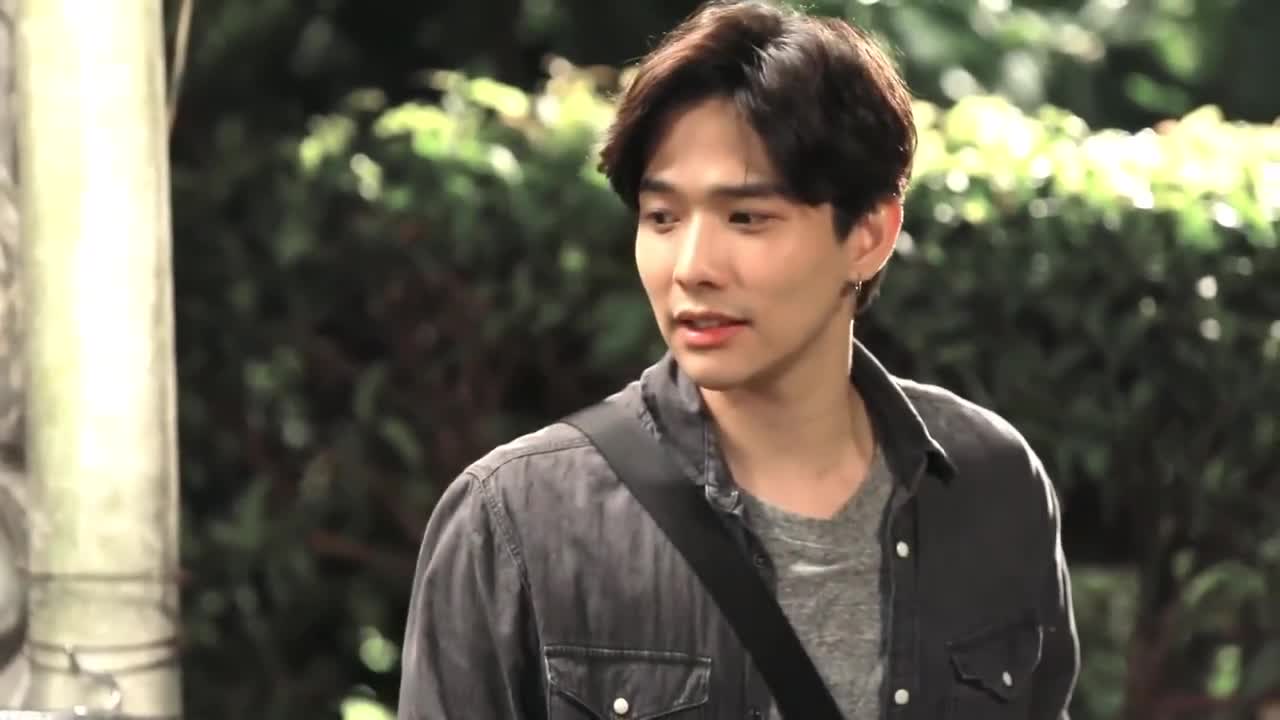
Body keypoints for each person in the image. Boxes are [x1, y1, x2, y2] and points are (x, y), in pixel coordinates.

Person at [397, 0, 1080, 718]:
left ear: (869, 235)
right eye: (662, 218)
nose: (692, 267)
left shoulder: (993, 483)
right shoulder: (514, 518)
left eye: (747, 218)